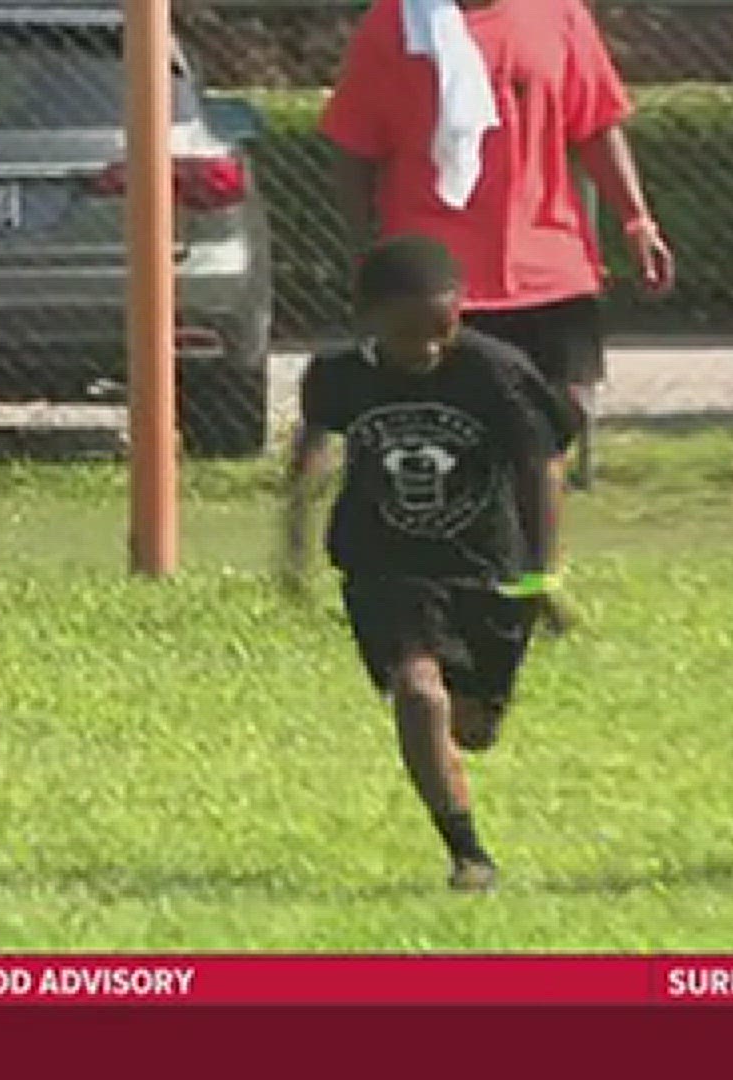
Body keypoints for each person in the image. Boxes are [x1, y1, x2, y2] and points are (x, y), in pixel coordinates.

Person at [282, 235, 576, 891]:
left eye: (443, 331)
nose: (430, 349)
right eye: (411, 334)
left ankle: (459, 762)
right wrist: (294, 544)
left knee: (473, 731)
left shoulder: (495, 372)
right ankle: (469, 854)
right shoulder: (339, 377)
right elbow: (312, 452)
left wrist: (543, 571)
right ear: (370, 317)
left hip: (489, 568)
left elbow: (543, 461)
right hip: (386, 566)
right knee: (418, 693)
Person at [321, 0, 673, 492]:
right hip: (437, 285)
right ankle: (459, 558)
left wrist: (637, 221)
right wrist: (369, 257)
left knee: (548, 431)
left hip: (551, 267)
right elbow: (355, 145)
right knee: (450, 436)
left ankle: (536, 569)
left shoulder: (559, 14)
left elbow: (595, 122)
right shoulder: (396, 22)